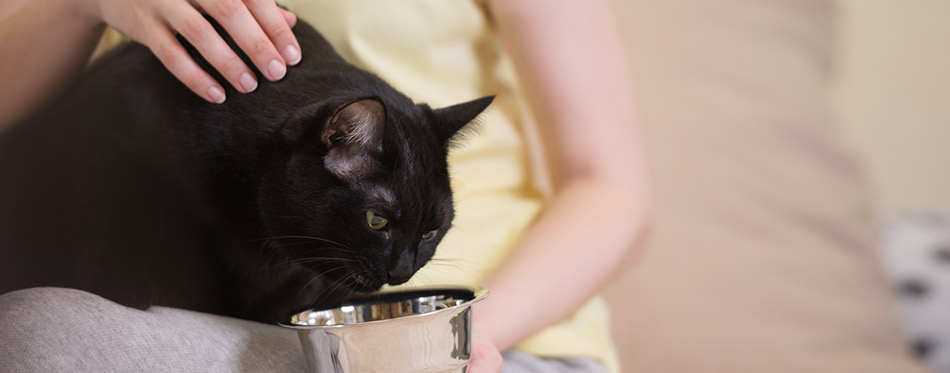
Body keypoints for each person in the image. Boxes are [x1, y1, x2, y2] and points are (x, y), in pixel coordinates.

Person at [0, 0, 650, 372]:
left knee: (43, 343)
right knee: (35, 335)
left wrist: (460, 336)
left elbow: (612, 190)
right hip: (198, 306)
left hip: (486, 339)